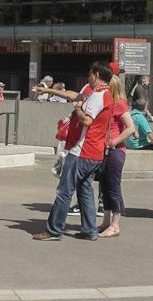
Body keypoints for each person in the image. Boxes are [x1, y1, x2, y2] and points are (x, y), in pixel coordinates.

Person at [36, 62, 116, 242]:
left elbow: (87, 120)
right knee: (85, 189)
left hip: (82, 150)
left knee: (65, 191)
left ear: (96, 74)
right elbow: (74, 95)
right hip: (94, 152)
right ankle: (89, 230)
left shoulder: (98, 96)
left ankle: (54, 230)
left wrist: (78, 108)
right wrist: (49, 91)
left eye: (90, 74)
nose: (88, 77)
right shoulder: (105, 94)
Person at [98, 93, 139, 236]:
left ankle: (115, 224)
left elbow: (130, 127)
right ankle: (106, 220)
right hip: (103, 150)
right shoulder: (104, 104)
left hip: (115, 151)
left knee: (113, 186)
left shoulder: (119, 104)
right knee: (104, 186)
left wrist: (114, 141)